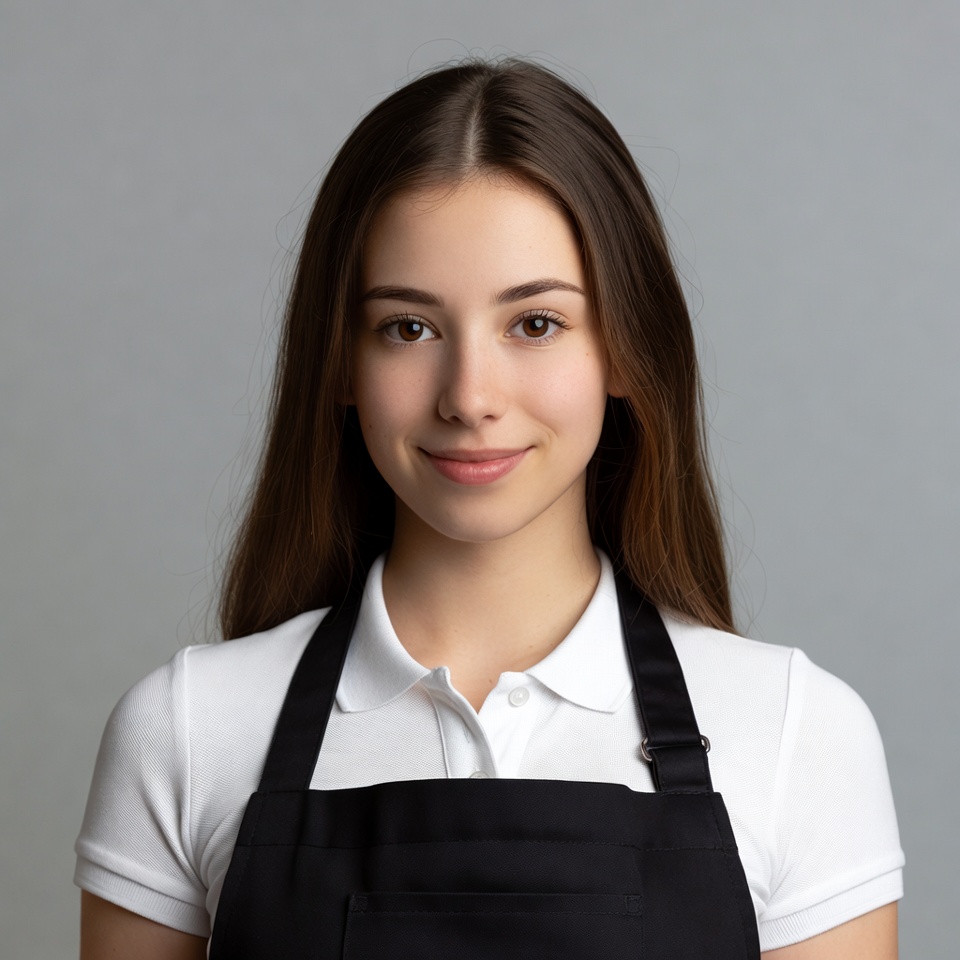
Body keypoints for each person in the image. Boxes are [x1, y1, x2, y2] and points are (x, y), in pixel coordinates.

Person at [75, 59, 904, 959]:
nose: (470, 397)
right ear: (342, 367)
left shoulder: (795, 730)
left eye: (535, 324)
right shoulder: (189, 727)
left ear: (624, 350)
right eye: (409, 327)